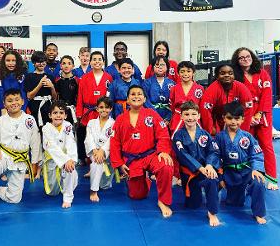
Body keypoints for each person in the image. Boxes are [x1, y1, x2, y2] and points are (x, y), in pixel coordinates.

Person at [110, 85, 174, 217]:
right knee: (137, 195)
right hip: (132, 159)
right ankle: (144, 179)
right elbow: (114, 142)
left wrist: (163, 151)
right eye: (132, 94)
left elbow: (163, 134)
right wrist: (119, 163)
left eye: (139, 94)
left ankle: (163, 201)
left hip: (150, 155)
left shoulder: (152, 114)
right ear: (127, 100)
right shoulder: (120, 119)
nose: (136, 96)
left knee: (166, 166)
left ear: (144, 99)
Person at [0, 88, 41, 229]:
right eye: (9, 101)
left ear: (22, 101)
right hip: (4, 155)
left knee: (15, 199)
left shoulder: (29, 120)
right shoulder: (0, 121)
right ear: (4, 104)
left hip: (20, 160)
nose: (13, 103)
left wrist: (35, 163)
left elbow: (36, 142)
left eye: (16, 100)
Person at [231, 47, 278, 190]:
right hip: (245, 115)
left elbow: (267, 94)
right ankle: (245, 177)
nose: (245, 59)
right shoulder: (236, 77)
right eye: (241, 57)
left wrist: (259, 113)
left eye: (248, 56)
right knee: (244, 145)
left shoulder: (262, 73)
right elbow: (235, 98)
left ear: (252, 57)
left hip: (263, 115)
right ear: (237, 61)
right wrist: (247, 117)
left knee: (266, 145)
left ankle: (272, 178)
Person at [215, 101, 267, 224]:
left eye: (237, 118)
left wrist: (256, 169)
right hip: (228, 173)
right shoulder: (219, 137)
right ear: (224, 118)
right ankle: (212, 208)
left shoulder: (247, 137)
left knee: (258, 182)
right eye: (230, 118)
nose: (233, 121)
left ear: (243, 119)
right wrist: (220, 176)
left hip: (246, 171)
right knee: (235, 203)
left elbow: (257, 154)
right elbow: (215, 157)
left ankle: (258, 213)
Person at [172, 101, 220, 226]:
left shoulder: (205, 134)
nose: (190, 117)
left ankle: (212, 212)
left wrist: (209, 165)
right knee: (193, 205)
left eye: (194, 114)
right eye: (186, 114)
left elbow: (213, 151)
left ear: (198, 116)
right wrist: (199, 167)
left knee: (212, 179)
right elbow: (182, 155)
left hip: (205, 171)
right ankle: (201, 194)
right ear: (181, 116)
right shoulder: (178, 135)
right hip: (190, 174)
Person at [76, 51, 112, 166]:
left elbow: (110, 97)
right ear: (90, 62)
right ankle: (88, 161)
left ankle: (102, 160)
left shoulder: (108, 77)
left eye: (99, 59)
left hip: (103, 112)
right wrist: (79, 113)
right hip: (88, 111)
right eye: (94, 59)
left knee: (102, 136)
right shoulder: (84, 78)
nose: (97, 62)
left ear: (103, 62)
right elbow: (80, 97)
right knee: (88, 137)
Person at [42, 101, 78, 208]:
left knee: (69, 169)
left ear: (66, 115)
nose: (58, 115)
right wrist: (65, 160)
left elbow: (71, 143)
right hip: (52, 161)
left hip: (66, 160)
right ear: (50, 115)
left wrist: (70, 160)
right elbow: (51, 147)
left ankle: (68, 197)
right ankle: (64, 183)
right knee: (52, 192)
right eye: (55, 113)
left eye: (61, 113)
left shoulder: (68, 126)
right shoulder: (46, 128)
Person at [200, 64, 254, 135]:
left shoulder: (241, 88)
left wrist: (242, 131)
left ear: (234, 75)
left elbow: (248, 109)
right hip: (217, 121)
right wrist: (211, 129)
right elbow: (205, 111)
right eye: (222, 73)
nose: (227, 75)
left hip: (235, 120)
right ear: (217, 76)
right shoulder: (212, 90)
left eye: (230, 73)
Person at [84, 97, 115, 202]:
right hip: (95, 152)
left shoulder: (114, 123)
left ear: (111, 109)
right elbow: (88, 138)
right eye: (101, 107)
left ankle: (99, 180)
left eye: (107, 107)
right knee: (97, 162)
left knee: (105, 186)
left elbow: (112, 140)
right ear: (96, 109)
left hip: (107, 153)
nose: (104, 110)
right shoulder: (91, 123)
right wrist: (94, 150)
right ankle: (93, 191)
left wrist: (103, 151)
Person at [24, 51, 57, 128]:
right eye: (38, 62)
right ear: (34, 63)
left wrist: (52, 87)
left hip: (48, 107)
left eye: (43, 61)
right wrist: (40, 84)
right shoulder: (29, 77)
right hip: (35, 108)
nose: (41, 64)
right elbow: (29, 96)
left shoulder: (50, 77)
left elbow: (54, 98)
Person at [169, 61, 204, 133]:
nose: (185, 74)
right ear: (178, 73)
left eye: (188, 71)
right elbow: (171, 106)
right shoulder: (174, 88)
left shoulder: (200, 88)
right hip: (178, 119)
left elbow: (201, 107)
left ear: (193, 73)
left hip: (194, 119)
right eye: (182, 71)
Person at [143, 55, 175, 124]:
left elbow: (173, 102)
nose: (160, 67)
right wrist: (155, 116)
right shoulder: (147, 83)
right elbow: (145, 100)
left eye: (162, 65)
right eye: (157, 65)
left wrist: (168, 118)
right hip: (151, 115)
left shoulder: (172, 83)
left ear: (167, 67)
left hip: (168, 116)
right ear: (152, 68)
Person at [55, 55, 79, 124]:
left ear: (73, 66)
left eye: (69, 63)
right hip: (60, 112)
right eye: (64, 63)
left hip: (73, 111)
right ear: (60, 66)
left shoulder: (77, 81)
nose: (66, 66)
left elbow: (79, 98)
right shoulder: (57, 81)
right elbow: (55, 97)